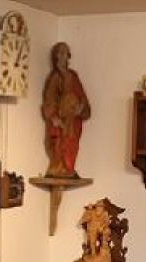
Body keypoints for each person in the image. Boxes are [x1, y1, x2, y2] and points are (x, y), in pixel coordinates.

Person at [41, 42, 91, 178]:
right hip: (61, 119)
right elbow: (50, 98)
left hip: (73, 119)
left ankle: (69, 168)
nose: (64, 57)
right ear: (56, 56)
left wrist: (81, 107)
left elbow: (81, 95)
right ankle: (59, 168)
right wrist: (53, 116)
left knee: (72, 143)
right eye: (61, 53)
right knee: (60, 143)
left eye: (66, 53)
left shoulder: (73, 76)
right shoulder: (55, 77)